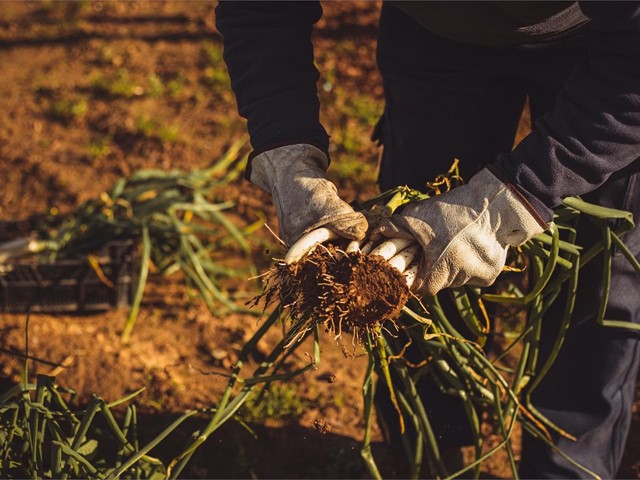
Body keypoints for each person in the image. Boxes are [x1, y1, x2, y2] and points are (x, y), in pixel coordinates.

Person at [215, 2, 640, 477]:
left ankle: (571, 467)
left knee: (596, 276)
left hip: (611, 44)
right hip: (436, 35)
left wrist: (524, 193)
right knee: (416, 261)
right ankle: (429, 456)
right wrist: (285, 153)